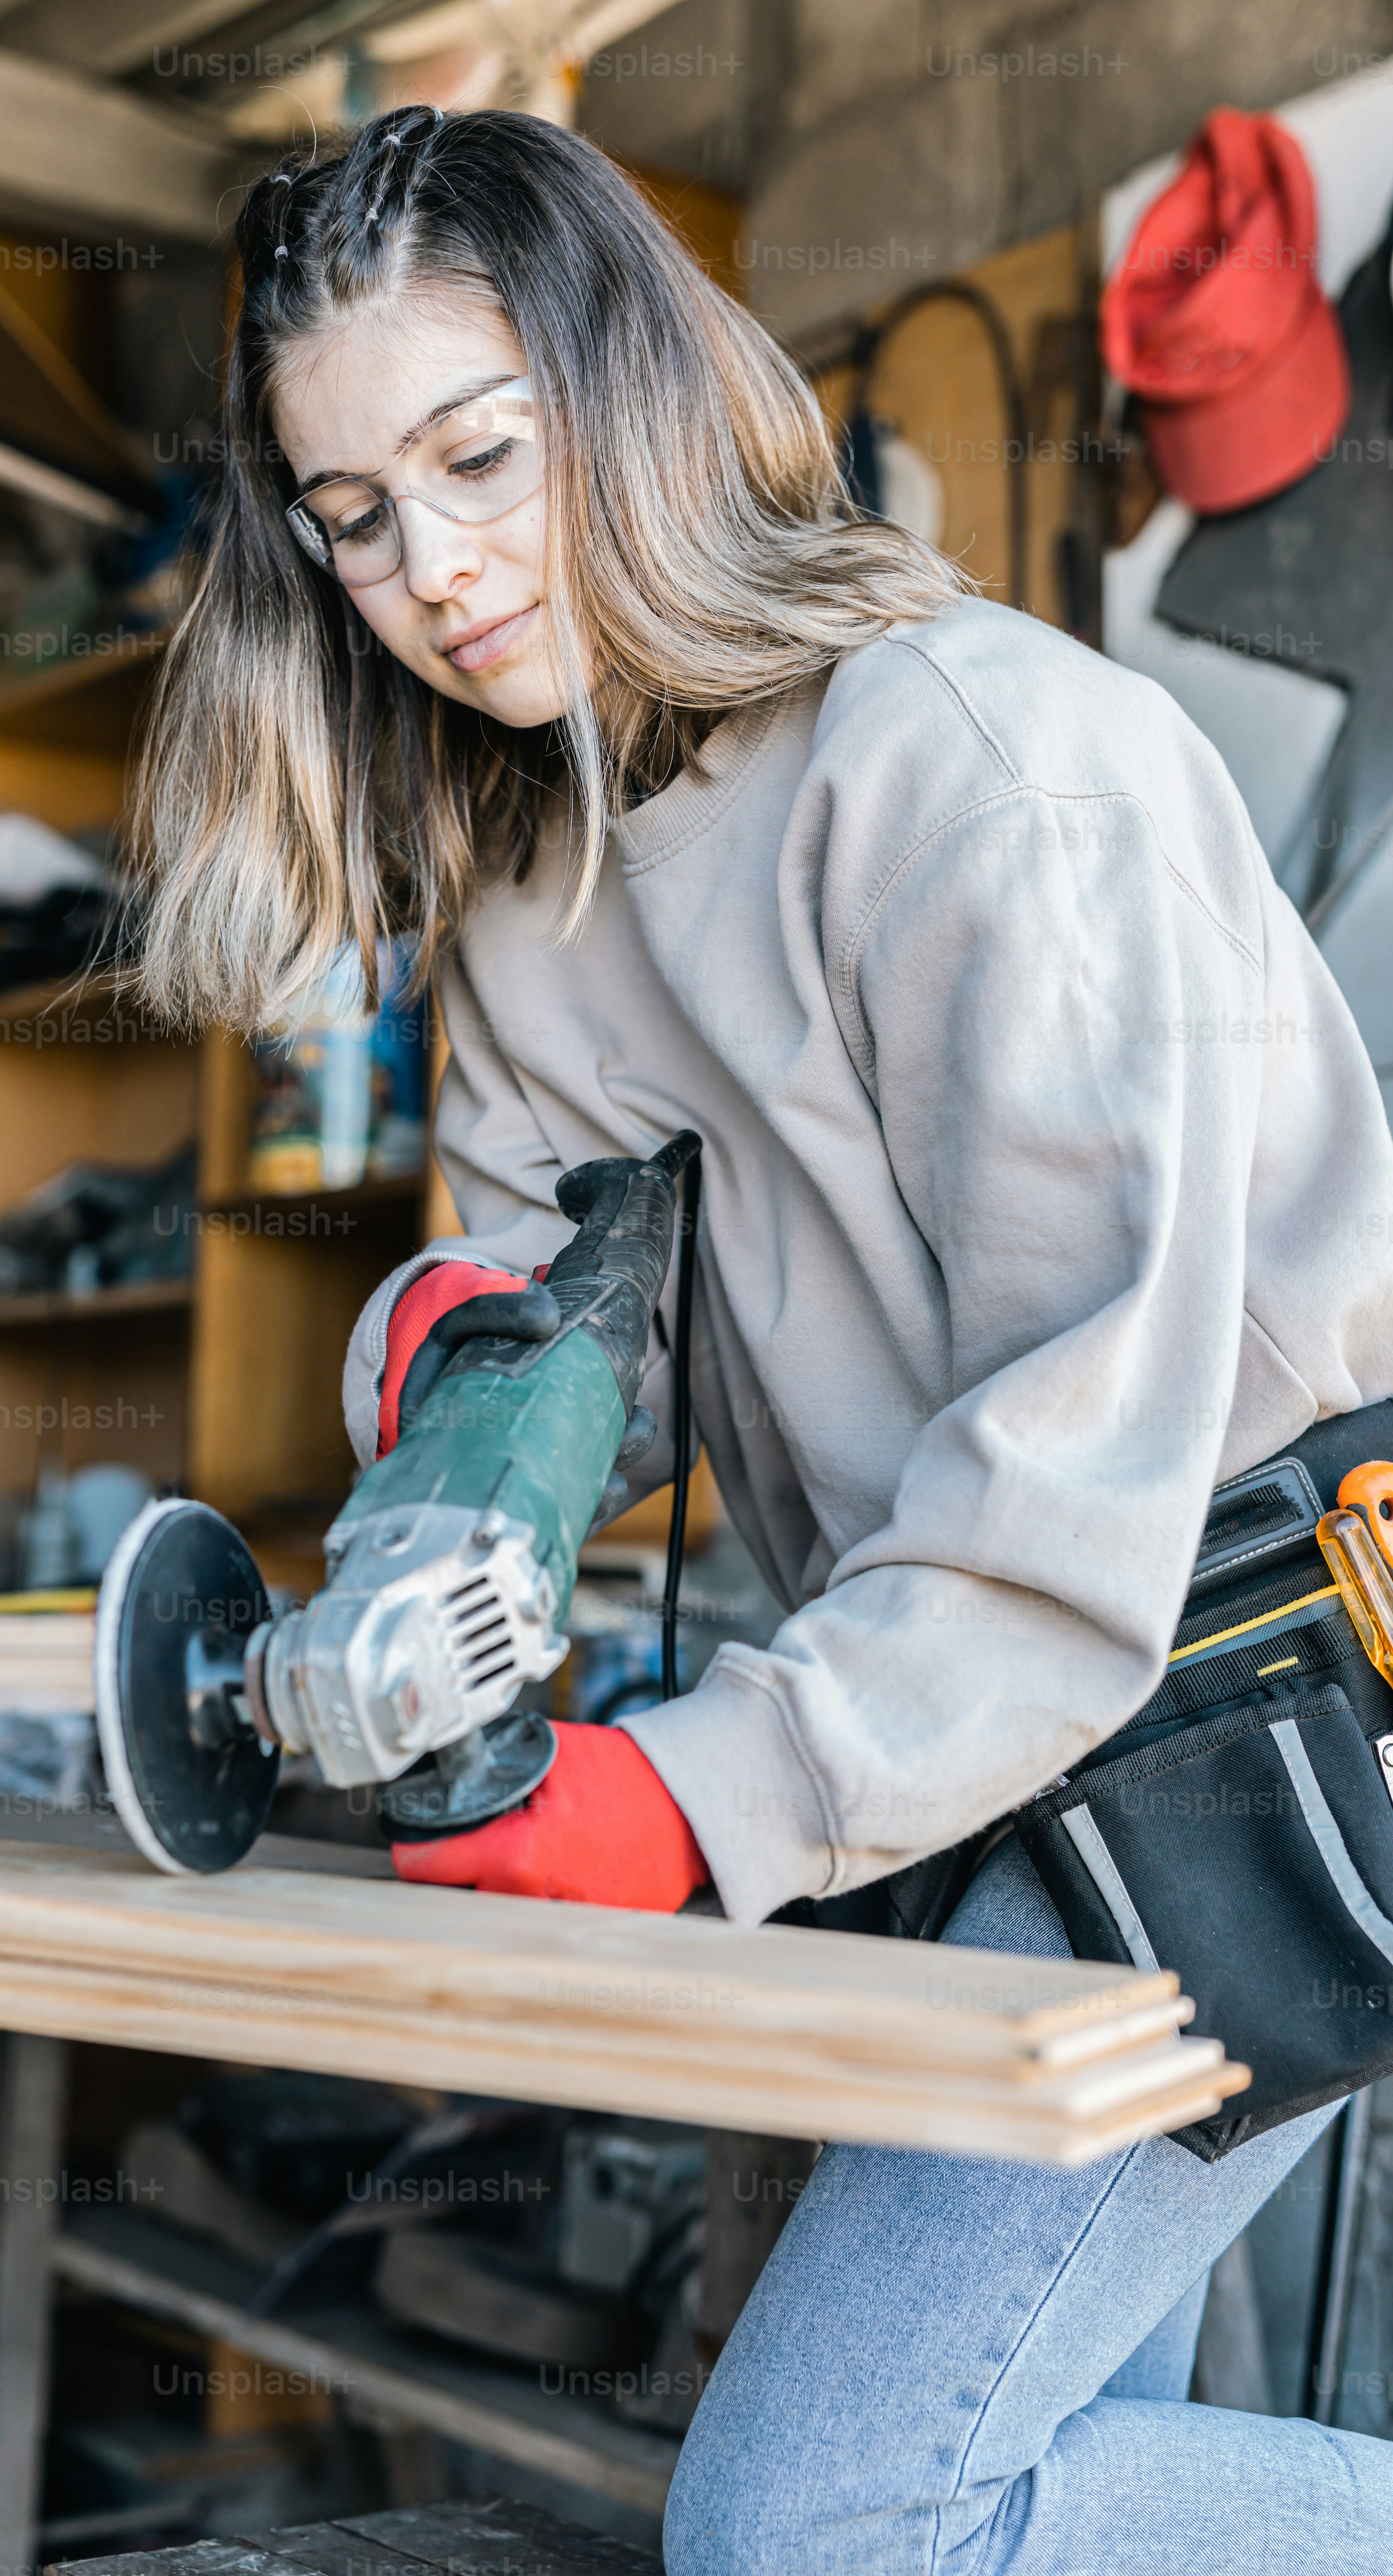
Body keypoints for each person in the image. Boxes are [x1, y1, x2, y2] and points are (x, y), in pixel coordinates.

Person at [133, 102, 1393, 2575]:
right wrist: (466, 1381)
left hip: (1257, 1698)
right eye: (353, 514)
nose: (436, 570)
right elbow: (562, 1308)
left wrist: (698, 1795)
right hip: (966, 1733)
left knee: (838, 2521)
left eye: (482, 456)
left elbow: (1076, 1493)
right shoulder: (534, 877)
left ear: (631, 384)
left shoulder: (986, 776)